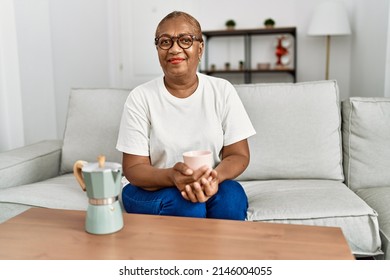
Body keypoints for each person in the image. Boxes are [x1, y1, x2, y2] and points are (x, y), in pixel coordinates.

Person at [116, 11, 256, 220]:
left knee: (231, 198)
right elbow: (134, 169)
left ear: (200, 48)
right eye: (165, 42)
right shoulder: (140, 97)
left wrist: (213, 177)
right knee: (188, 206)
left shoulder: (222, 90)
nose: (174, 48)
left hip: (210, 182)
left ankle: (224, 252)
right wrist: (172, 176)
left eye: (185, 40)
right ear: (157, 50)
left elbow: (239, 155)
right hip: (151, 188)